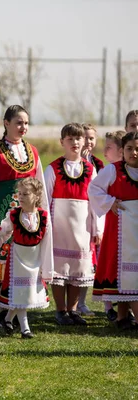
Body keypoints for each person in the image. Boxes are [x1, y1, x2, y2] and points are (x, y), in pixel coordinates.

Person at [0, 105, 50, 328]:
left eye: (26, 123)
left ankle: (13, 312)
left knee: (26, 262)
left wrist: (43, 215)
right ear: (6, 123)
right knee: (5, 264)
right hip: (5, 217)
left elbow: (39, 185)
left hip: (28, 220)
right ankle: (5, 311)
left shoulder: (33, 152)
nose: (23, 127)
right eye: (19, 122)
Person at [44, 123, 102, 326]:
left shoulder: (90, 169)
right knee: (60, 270)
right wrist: (46, 227)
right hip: (59, 226)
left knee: (79, 267)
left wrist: (97, 229)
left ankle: (73, 310)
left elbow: (95, 201)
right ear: (62, 142)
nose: (75, 142)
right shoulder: (52, 168)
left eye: (78, 138)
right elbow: (44, 199)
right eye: (70, 139)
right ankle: (60, 310)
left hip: (82, 226)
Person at [89, 132, 138, 330]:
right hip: (119, 232)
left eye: (137, 149)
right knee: (120, 272)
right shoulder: (113, 170)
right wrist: (110, 203)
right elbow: (93, 189)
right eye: (129, 149)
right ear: (122, 151)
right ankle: (122, 318)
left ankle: (123, 317)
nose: (134, 152)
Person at [0, 178, 53, 339]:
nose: (20, 197)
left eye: (25, 194)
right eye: (19, 193)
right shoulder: (14, 214)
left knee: (25, 293)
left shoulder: (43, 217)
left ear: (36, 195)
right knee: (21, 292)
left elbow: (48, 243)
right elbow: (4, 230)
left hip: (34, 259)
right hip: (18, 259)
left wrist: (46, 268)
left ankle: (7, 319)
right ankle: (25, 329)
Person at [75, 123, 104, 316]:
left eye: (92, 138)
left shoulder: (99, 164)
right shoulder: (72, 162)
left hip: (92, 215)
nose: (89, 142)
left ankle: (82, 302)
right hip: (76, 214)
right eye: (85, 137)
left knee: (89, 263)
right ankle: (72, 304)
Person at [100, 130, 125, 322]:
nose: (104, 151)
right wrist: (110, 202)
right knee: (111, 258)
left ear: (121, 150)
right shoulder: (109, 170)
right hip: (114, 225)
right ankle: (109, 306)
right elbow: (94, 190)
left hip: (131, 227)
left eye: (109, 147)